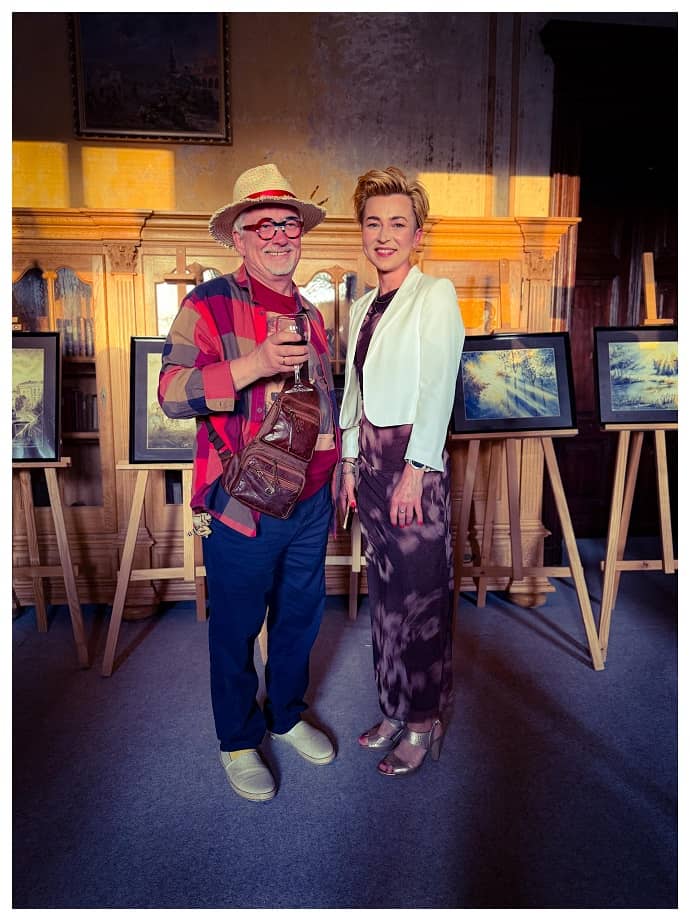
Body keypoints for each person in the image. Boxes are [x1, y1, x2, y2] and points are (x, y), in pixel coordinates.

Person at [159, 163, 340, 802]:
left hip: (312, 499)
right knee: (235, 625)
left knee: (300, 618)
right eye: (264, 226)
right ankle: (238, 739)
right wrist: (253, 364)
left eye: (289, 224)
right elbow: (171, 394)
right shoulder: (206, 304)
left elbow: (323, 402)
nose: (279, 236)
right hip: (243, 502)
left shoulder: (312, 312)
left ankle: (285, 715)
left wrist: (338, 468)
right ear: (238, 237)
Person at [339, 167, 465, 777]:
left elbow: (437, 386)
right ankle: (392, 707)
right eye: (373, 223)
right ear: (362, 232)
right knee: (386, 597)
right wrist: (347, 461)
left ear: (418, 235)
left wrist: (416, 470)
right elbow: (354, 391)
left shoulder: (434, 294)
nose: (384, 235)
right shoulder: (362, 304)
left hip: (413, 466)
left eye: (397, 224)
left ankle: (422, 719)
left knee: (419, 599)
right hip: (369, 465)